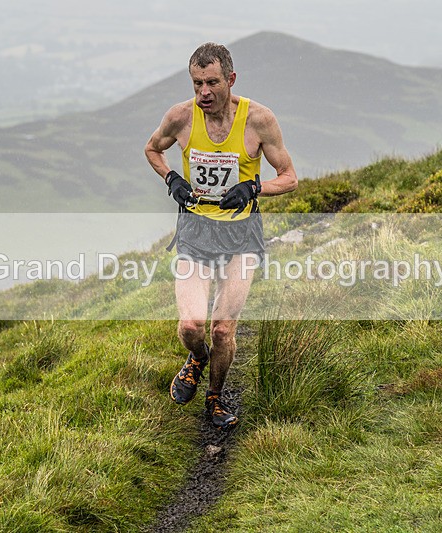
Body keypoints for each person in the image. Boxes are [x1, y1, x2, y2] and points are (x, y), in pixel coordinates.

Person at [144, 42, 297, 429]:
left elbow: (290, 178)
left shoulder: (259, 120)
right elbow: (152, 149)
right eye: (197, 84)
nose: (204, 93)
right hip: (195, 232)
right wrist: (172, 178)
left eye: (212, 83)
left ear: (230, 80)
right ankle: (196, 358)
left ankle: (214, 397)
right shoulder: (180, 117)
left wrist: (254, 188)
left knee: (223, 328)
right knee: (191, 326)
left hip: (241, 235)